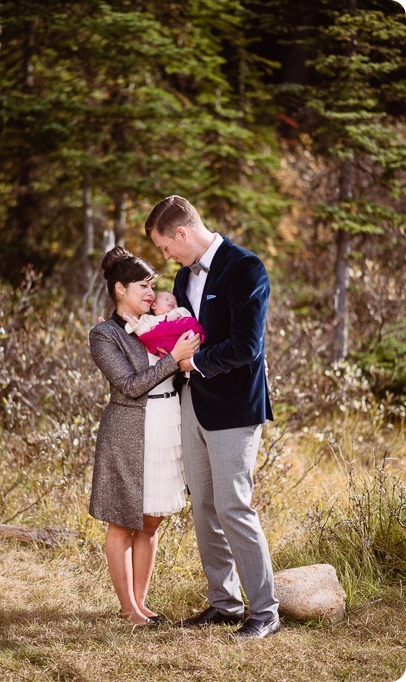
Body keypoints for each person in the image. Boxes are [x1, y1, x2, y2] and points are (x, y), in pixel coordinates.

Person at [145, 195, 280, 639]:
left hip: (236, 406)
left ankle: (265, 612)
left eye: (165, 246)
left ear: (181, 233)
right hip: (193, 405)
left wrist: (192, 362)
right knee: (203, 506)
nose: (165, 257)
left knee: (232, 506)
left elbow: (247, 347)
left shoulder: (246, 268)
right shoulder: (185, 277)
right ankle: (224, 604)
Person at [88, 246, 201, 627]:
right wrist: (174, 358)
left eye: (153, 286)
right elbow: (128, 384)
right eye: (143, 286)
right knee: (123, 521)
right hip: (129, 429)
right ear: (120, 289)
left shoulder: (161, 322)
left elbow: (186, 364)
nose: (151, 294)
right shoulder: (105, 334)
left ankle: (141, 603)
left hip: (167, 421)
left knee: (151, 520)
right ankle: (128, 609)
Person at [124, 291, 205, 357]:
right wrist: (130, 319)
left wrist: (178, 315)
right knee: (147, 334)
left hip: (184, 340)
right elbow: (141, 330)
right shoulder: (150, 319)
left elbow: (186, 314)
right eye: (167, 299)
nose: (171, 301)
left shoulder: (176, 312)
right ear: (153, 305)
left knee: (190, 323)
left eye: (174, 302)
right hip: (165, 346)